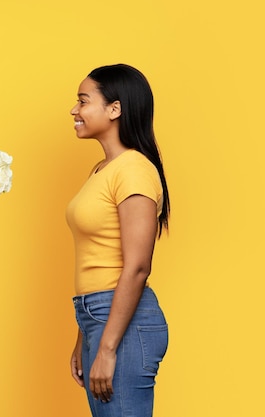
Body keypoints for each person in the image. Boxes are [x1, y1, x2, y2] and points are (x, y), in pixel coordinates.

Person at [67, 64, 170, 417]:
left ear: (115, 109)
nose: (74, 110)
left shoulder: (133, 170)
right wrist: (84, 336)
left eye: (83, 101)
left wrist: (107, 348)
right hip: (99, 317)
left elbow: (138, 266)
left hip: (125, 324)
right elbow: (96, 257)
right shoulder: (103, 170)